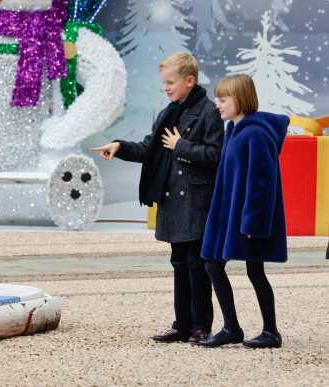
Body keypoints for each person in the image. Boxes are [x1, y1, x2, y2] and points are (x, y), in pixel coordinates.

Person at [90, 51, 224, 344]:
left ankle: (202, 325)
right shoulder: (168, 112)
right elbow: (148, 148)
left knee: (197, 266)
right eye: (164, 83)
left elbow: (216, 156)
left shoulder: (210, 112)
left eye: (170, 82)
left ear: (190, 81)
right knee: (179, 263)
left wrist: (181, 146)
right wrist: (120, 146)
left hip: (197, 201)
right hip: (174, 201)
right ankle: (182, 325)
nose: (165, 88)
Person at [199, 74, 288, 349]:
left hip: (246, 219)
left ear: (240, 100)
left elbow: (262, 182)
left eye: (223, 100)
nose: (218, 105)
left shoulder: (256, 133)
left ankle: (271, 332)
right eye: (217, 99)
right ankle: (231, 328)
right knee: (213, 264)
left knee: (255, 270)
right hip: (228, 215)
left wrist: (254, 224)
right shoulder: (234, 131)